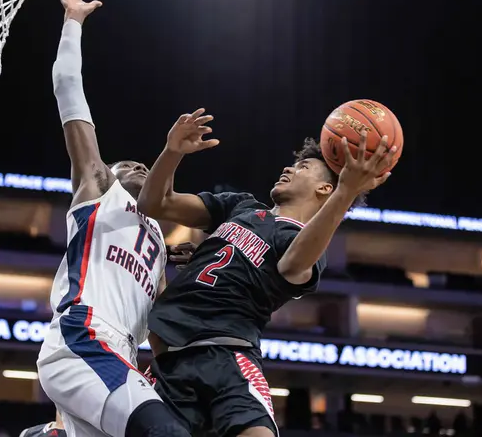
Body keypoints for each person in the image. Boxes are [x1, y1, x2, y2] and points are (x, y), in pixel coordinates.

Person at [137, 109, 396, 437]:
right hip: (168, 363)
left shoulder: (305, 246)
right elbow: (154, 204)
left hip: (225, 356)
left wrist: (346, 192)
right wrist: (172, 152)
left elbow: (291, 264)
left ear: (325, 190)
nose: (289, 167)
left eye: (303, 167)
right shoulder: (241, 207)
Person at [36, 0, 192, 437]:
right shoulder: (100, 189)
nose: (140, 165)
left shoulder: (161, 242)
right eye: (129, 164)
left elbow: (161, 324)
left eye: (145, 164)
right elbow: (68, 89)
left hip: (122, 355)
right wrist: (73, 22)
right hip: (84, 336)